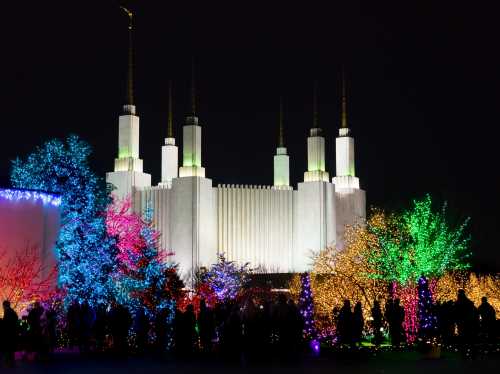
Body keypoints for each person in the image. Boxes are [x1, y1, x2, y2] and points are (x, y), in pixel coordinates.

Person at [2, 300, 19, 367]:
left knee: (8, 347)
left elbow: (6, 322)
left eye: (3, 306)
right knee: (11, 348)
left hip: (8, 333)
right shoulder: (12, 311)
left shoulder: (7, 312)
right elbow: (16, 319)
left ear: (5, 305)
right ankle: (11, 361)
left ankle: (9, 362)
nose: (2, 307)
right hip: (13, 332)